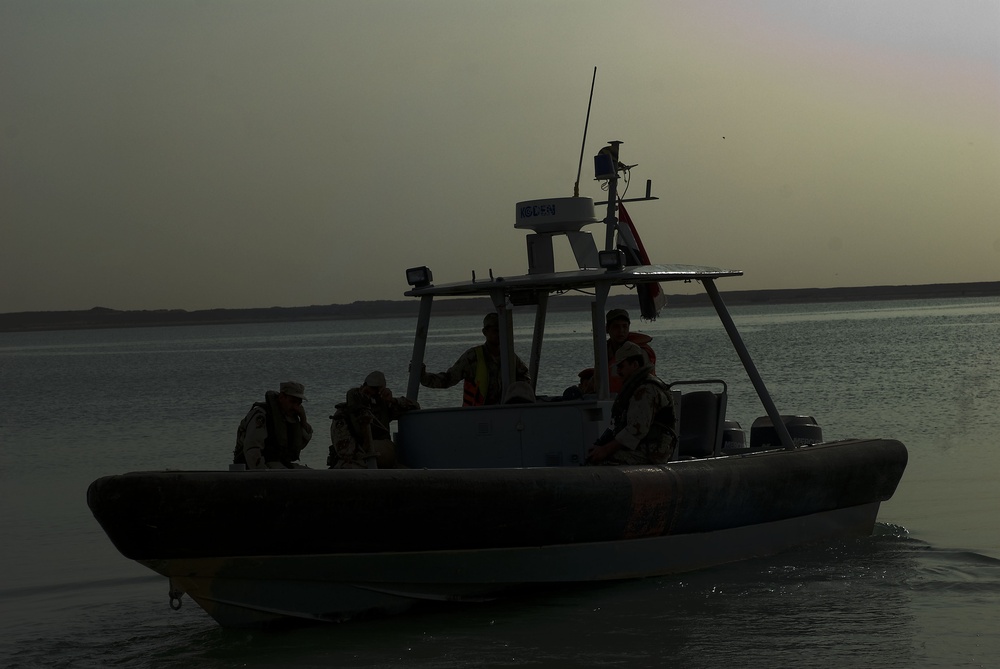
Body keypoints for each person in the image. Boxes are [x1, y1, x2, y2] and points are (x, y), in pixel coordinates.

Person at [586, 341, 676, 465]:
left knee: (603, 463)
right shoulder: (639, 387)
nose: (618, 371)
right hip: (646, 446)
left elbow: (635, 431)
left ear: (634, 365)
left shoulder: (646, 390)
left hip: (654, 451)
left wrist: (605, 450)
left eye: (621, 366)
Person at [420, 312, 531, 406]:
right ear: (485, 332)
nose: (499, 334)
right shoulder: (472, 357)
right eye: (495, 330)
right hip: (476, 416)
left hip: (504, 414)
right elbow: (448, 379)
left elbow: (526, 381)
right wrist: (423, 377)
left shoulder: (510, 358)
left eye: (502, 330)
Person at [328, 371, 419, 469]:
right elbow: (345, 451)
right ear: (362, 388)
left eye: (376, 393)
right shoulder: (342, 415)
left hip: (379, 459)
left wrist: (392, 400)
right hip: (354, 460)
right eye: (369, 391)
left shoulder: (384, 407)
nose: (371, 396)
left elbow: (414, 406)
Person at [234, 381, 313, 469]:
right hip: (255, 466)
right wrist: (264, 476)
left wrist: (303, 420)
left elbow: (299, 446)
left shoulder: (290, 417)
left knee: (314, 475)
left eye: (298, 403)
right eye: (292, 402)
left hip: (280, 464)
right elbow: (252, 450)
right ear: (281, 397)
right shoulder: (262, 415)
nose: (295, 407)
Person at [605, 308, 656, 393]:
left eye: (624, 326)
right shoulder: (604, 351)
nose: (621, 331)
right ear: (607, 329)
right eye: (616, 326)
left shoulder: (639, 352)